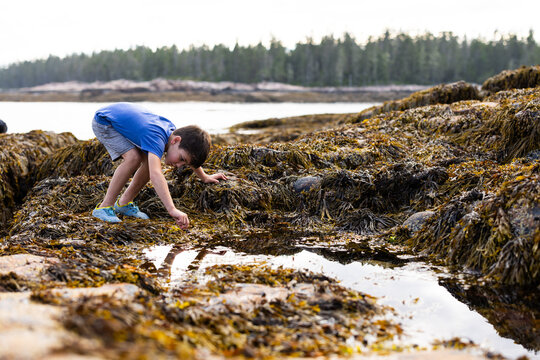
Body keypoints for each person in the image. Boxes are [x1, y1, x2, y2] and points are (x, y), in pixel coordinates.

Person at [91, 102, 227, 228]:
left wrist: (204, 177)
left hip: (119, 117)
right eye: (181, 159)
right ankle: (103, 207)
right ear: (176, 141)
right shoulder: (156, 138)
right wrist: (172, 209)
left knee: (147, 163)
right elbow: (156, 174)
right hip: (104, 122)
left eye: (183, 163)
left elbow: (189, 157)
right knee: (133, 158)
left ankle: (124, 204)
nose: (179, 165)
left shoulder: (172, 135)